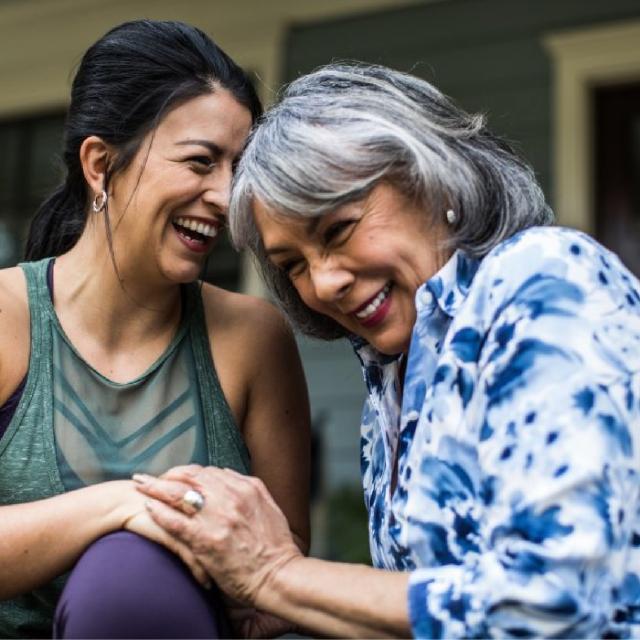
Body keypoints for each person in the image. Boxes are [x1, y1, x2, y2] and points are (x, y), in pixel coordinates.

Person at [135, 63, 640, 638]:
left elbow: (553, 600)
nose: (322, 285)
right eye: (292, 265)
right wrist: (294, 600)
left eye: (339, 228)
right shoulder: (394, 371)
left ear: (434, 181)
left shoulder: (543, 282)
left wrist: (278, 575)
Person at [0, 19, 310, 639]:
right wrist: (128, 506)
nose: (226, 197)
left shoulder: (253, 337)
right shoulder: (7, 318)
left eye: (238, 170)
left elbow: (284, 562)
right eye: (200, 162)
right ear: (100, 163)